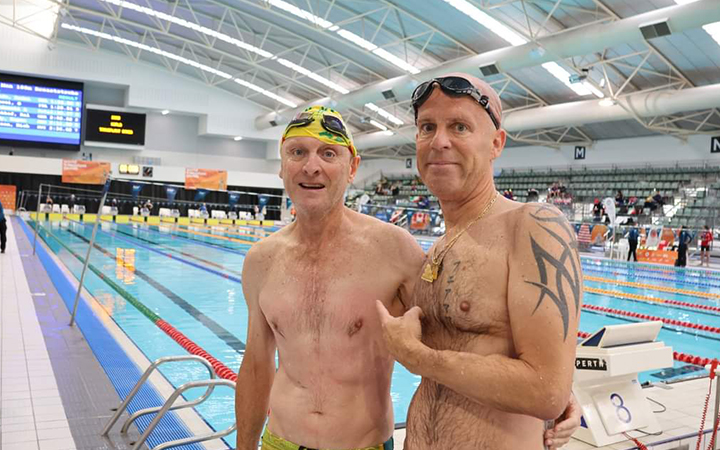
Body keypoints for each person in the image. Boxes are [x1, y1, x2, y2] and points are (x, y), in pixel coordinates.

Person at [235, 105, 579, 450]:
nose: (312, 167)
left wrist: (561, 393)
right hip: (278, 442)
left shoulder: (392, 249)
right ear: (281, 167)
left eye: (328, 153)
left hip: (362, 444)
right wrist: (245, 446)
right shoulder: (260, 261)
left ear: (352, 167)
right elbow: (255, 366)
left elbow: (458, 326)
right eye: (297, 152)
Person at [376, 73, 582, 450]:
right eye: (427, 127)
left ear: (496, 143)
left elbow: (547, 391)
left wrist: (418, 357)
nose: (439, 141)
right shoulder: (436, 249)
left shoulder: (534, 225)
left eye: (459, 126)